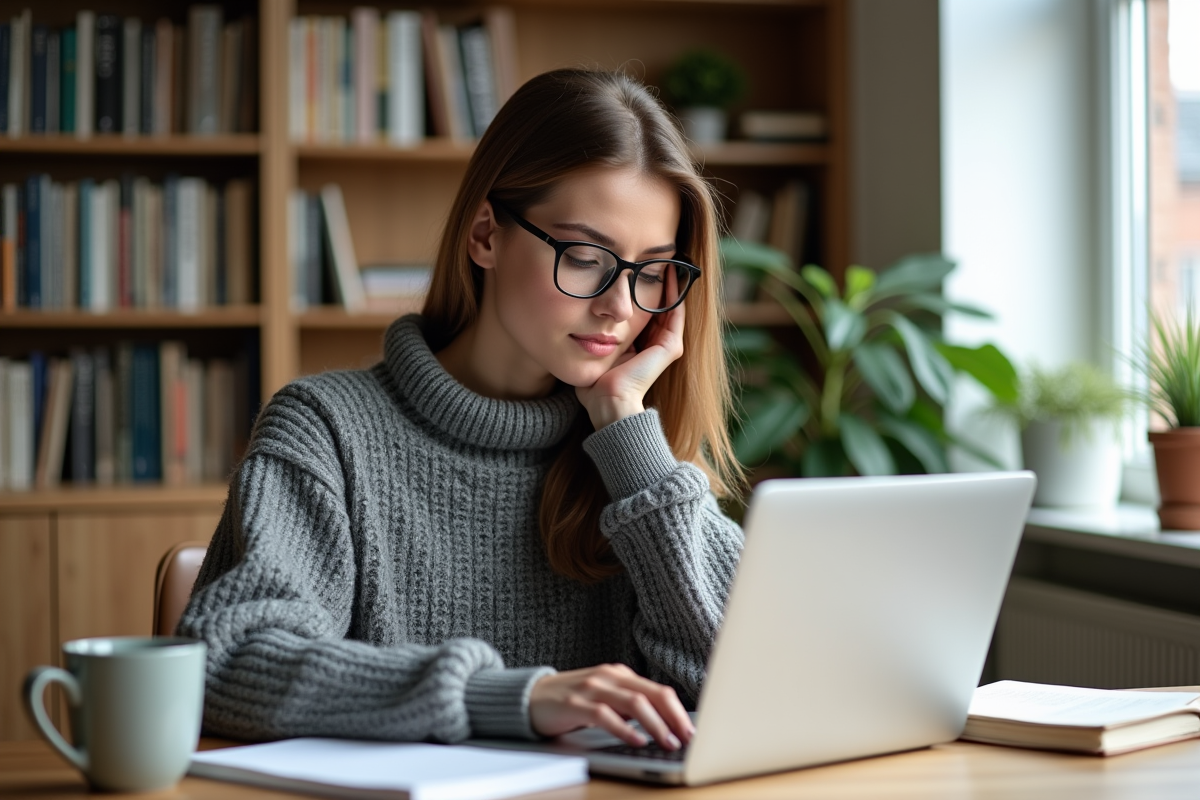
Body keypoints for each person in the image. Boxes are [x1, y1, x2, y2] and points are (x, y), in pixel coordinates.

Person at [179, 68, 745, 754]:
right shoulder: (326, 429)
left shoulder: (632, 462)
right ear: (486, 236)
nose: (621, 308)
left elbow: (747, 693)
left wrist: (628, 432)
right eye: (588, 257)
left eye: (652, 271)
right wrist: (509, 698)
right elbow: (231, 662)